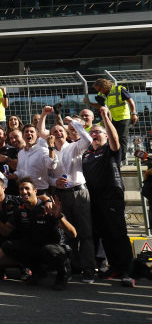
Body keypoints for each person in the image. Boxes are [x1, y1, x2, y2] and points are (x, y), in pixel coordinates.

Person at [38, 106, 96, 283]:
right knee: (66, 233)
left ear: (66, 133)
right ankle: (71, 267)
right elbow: (49, 175)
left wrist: (73, 123)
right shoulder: (48, 152)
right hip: (61, 195)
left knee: (85, 232)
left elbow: (87, 138)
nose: (58, 132)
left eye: (60, 130)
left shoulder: (75, 147)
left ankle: (88, 268)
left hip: (79, 193)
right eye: (54, 131)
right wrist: (56, 182)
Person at [82, 106, 136, 287]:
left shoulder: (110, 150)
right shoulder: (87, 154)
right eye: (93, 132)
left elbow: (115, 140)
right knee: (104, 235)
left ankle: (128, 271)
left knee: (117, 234)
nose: (95, 134)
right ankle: (116, 268)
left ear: (105, 136)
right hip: (93, 200)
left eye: (98, 132)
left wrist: (105, 117)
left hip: (111, 197)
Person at [0, 178, 77, 291]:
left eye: (27, 188)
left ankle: (62, 275)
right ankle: (38, 271)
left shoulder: (48, 208)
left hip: (56, 247)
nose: (24, 191)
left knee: (48, 249)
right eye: (21, 189)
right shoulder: (20, 210)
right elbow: (5, 231)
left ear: (35, 191)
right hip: (36, 246)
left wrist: (59, 217)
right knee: (8, 246)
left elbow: (73, 234)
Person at [84, 78, 138, 163]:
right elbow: (100, 106)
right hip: (111, 118)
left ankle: (122, 159)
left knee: (122, 137)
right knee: (110, 137)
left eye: (100, 89)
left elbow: (131, 101)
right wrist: (89, 103)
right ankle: (112, 157)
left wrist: (134, 113)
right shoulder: (101, 94)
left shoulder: (119, 89)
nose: (99, 91)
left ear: (104, 86)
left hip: (123, 117)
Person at [8, 124, 57, 195]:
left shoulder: (43, 151)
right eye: (26, 132)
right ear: (23, 136)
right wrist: (12, 175)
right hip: (25, 191)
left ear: (37, 136)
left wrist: (51, 147)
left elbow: (52, 165)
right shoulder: (21, 153)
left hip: (40, 191)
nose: (29, 133)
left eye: (32, 131)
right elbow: (20, 171)